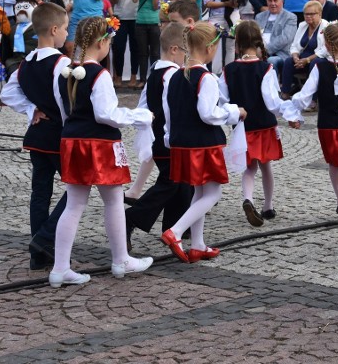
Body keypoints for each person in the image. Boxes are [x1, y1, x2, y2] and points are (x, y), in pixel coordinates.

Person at [50, 16, 154, 287]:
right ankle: (121, 259)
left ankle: (60, 266)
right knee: (113, 201)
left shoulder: (66, 71)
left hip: (72, 141)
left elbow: (65, 112)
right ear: (102, 42)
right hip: (99, 144)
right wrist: (138, 116)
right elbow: (106, 114)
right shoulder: (100, 74)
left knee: (74, 205)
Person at [161, 22, 247, 263]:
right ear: (210, 47)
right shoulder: (206, 77)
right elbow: (207, 113)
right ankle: (175, 231)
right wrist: (233, 112)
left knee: (199, 191)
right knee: (212, 193)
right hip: (203, 143)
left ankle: (198, 244)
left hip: (182, 141)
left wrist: (170, 137)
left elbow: (169, 111)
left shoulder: (174, 75)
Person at [0, 3, 71, 270]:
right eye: (64, 29)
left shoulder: (26, 61)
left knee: (40, 192)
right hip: (58, 138)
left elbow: (7, 94)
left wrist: (31, 110)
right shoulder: (61, 63)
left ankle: (38, 255)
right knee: (77, 190)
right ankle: (43, 239)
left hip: (37, 138)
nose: (66, 34)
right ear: (54, 30)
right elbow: (63, 102)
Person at [283, 22, 338, 227]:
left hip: (326, 125)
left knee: (333, 162)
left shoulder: (319, 66)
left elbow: (304, 96)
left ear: (326, 45)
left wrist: (293, 112)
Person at [123, 23, 193, 250]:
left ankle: (175, 227)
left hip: (160, 135)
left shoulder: (155, 71)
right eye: (186, 52)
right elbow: (170, 107)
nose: (187, 57)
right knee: (171, 182)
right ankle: (131, 218)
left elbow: (144, 102)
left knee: (182, 181)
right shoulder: (172, 74)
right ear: (174, 49)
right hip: (168, 137)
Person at [220, 21, 287, 226]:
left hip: (242, 126)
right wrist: (288, 110)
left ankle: (248, 199)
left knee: (249, 168)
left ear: (237, 42)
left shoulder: (228, 69)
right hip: (264, 125)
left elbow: (223, 99)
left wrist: (232, 113)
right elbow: (271, 100)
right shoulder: (266, 68)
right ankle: (268, 206)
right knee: (266, 167)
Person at [280, 0, 328, 98]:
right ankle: (285, 93)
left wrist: (308, 60)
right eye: (306, 14)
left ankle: (313, 98)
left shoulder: (326, 26)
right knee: (288, 62)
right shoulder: (302, 25)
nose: (308, 16)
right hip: (302, 59)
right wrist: (295, 56)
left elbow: (325, 50)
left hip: (318, 59)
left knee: (315, 64)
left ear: (320, 14)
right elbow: (294, 45)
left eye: (311, 14)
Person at [202, 0, 237, 73]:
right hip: (215, 17)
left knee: (231, 45)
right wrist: (226, 3)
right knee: (216, 46)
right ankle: (215, 73)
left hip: (230, 16)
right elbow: (208, 3)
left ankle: (229, 72)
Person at [132, 0, 164, 88]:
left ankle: (154, 79)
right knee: (142, 53)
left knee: (155, 53)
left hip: (154, 23)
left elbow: (156, 6)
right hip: (140, 23)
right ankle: (143, 79)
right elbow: (134, 0)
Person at [110, 0, 140, 89]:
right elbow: (112, 0)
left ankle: (133, 77)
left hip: (135, 18)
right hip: (118, 18)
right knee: (118, 48)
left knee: (135, 48)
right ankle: (118, 78)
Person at [255, 0, 298, 74]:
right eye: (270, 1)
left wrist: (264, 51)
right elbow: (254, 36)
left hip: (281, 53)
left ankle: (273, 85)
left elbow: (286, 38)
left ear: (282, 1)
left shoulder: (290, 17)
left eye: (275, 1)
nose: (272, 3)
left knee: (271, 61)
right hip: (258, 51)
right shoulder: (259, 16)